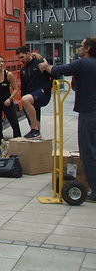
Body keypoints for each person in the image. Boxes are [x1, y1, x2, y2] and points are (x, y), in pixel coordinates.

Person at [39, 37, 96, 202]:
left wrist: (45, 66)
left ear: (87, 49)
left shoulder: (82, 63)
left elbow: (58, 71)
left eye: (82, 46)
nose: (79, 48)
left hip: (89, 113)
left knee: (89, 154)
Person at [16, 45, 52, 138]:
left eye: (22, 57)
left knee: (26, 99)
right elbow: (23, 87)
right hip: (31, 96)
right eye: (19, 58)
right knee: (25, 102)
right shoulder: (23, 70)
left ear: (28, 54)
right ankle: (36, 132)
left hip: (42, 94)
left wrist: (45, 89)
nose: (21, 60)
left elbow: (54, 77)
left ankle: (35, 130)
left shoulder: (40, 64)